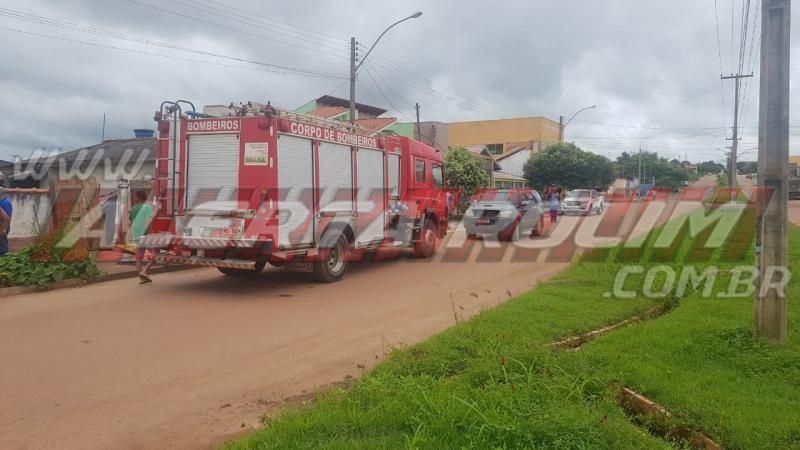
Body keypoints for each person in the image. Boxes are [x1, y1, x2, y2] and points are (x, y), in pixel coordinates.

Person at [130, 190, 155, 284]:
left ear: (138, 197)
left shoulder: (133, 209)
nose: (135, 198)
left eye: (136, 196)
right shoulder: (148, 207)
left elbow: (131, 223)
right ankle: (144, 271)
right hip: (145, 236)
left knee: (138, 259)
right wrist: (150, 234)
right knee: (156, 255)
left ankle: (141, 278)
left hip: (137, 236)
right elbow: (149, 222)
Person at [0, 186, 11, 256]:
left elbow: (8, 217)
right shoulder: (1, 202)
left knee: (2, 242)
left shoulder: (5, 202)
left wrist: (5, 228)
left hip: (4, 225)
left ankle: (4, 256)